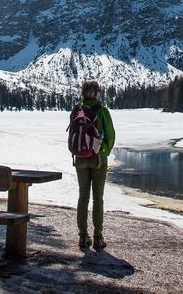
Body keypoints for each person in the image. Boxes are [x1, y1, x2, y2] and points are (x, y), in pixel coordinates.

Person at [69, 79, 115, 251]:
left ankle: (82, 237)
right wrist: (103, 152)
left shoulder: (77, 110)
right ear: (96, 93)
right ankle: (98, 238)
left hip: (80, 158)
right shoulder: (102, 111)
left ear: (82, 92)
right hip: (98, 158)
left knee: (83, 197)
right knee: (98, 198)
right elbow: (110, 135)